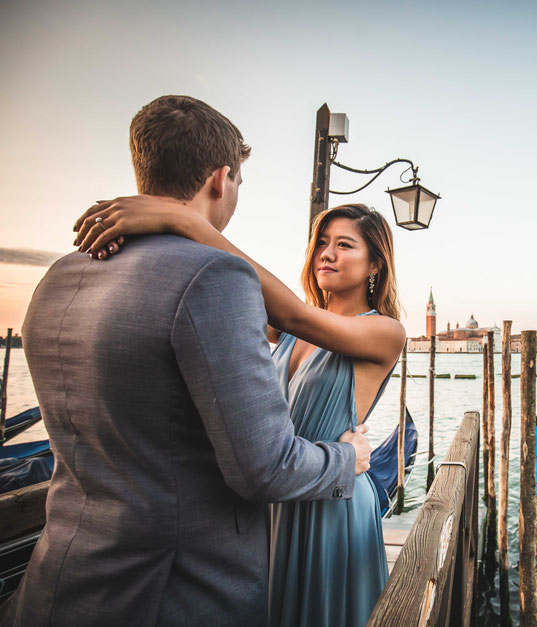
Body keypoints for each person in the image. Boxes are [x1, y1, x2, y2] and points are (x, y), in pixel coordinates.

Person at [1, 95, 374, 627]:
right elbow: (265, 467)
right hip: (176, 593)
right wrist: (347, 460)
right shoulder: (215, 278)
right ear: (220, 179)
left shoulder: (61, 274)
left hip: (61, 576)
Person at [72, 198, 405, 623]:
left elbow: (290, 310)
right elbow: (238, 291)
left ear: (375, 263)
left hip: (331, 500)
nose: (326, 253)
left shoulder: (383, 331)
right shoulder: (286, 327)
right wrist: (143, 232)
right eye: (322, 242)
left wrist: (182, 219)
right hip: (278, 490)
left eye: (344, 245)